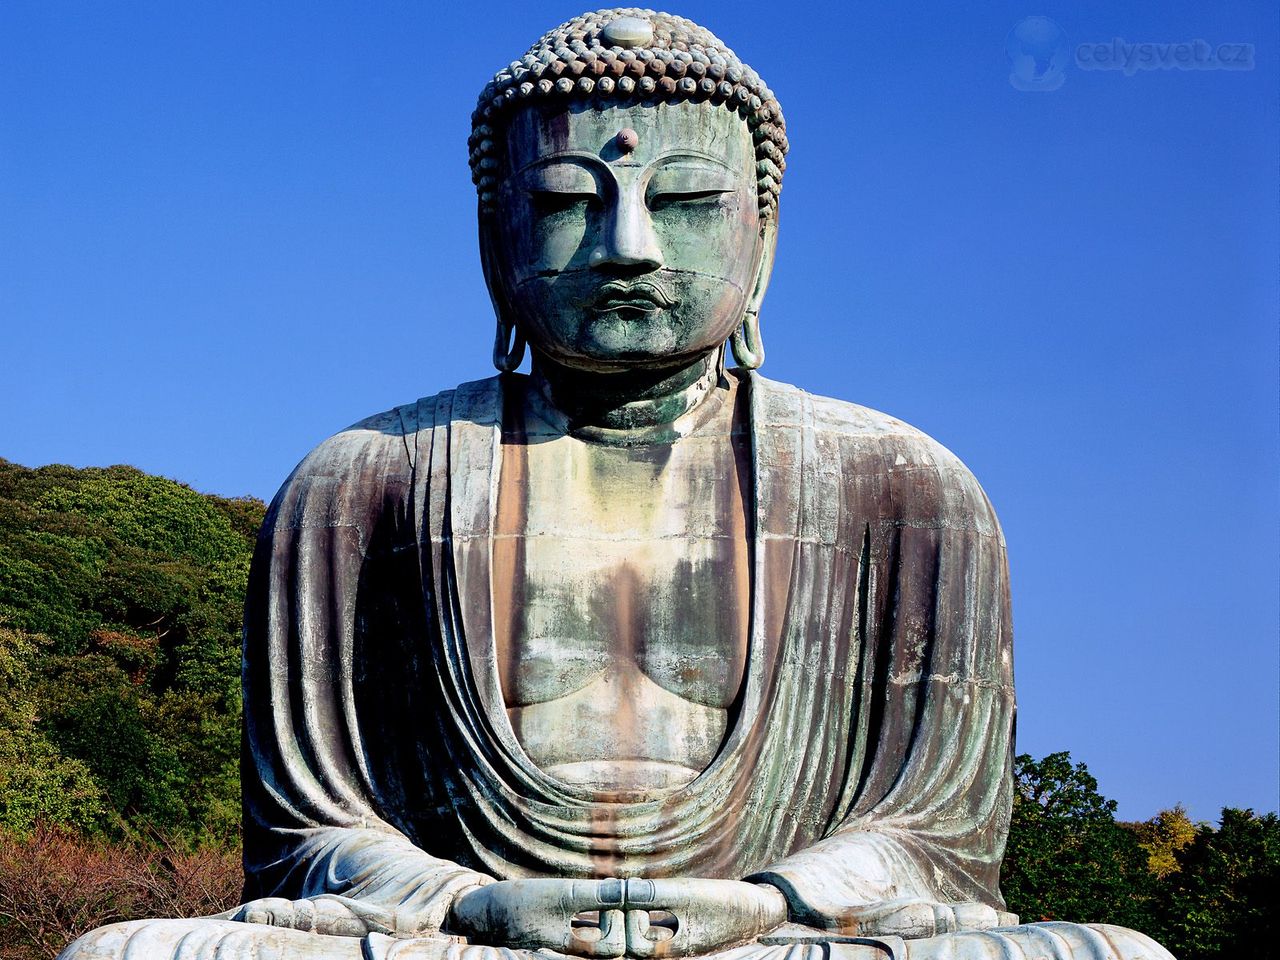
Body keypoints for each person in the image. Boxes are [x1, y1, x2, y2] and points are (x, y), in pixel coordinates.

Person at [60, 10, 1173, 960]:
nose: (626, 245)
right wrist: (470, 900)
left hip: (770, 935)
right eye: (563, 203)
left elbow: (935, 838)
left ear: (763, 239)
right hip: (466, 933)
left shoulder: (903, 488)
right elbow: (310, 833)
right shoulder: (361, 483)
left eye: (684, 201)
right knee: (123, 953)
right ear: (493, 241)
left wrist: (765, 903)